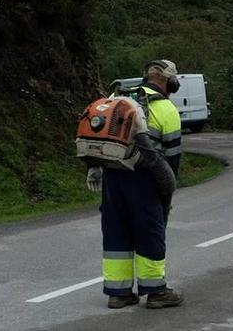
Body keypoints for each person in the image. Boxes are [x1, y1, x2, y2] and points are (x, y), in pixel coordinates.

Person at [85, 59, 185, 310]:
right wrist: (167, 195)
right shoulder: (166, 109)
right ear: (170, 82)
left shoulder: (116, 99)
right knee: (149, 232)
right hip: (145, 180)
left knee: (116, 232)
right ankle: (156, 292)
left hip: (113, 178)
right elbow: (172, 158)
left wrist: (95, 168)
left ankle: (118, 293)